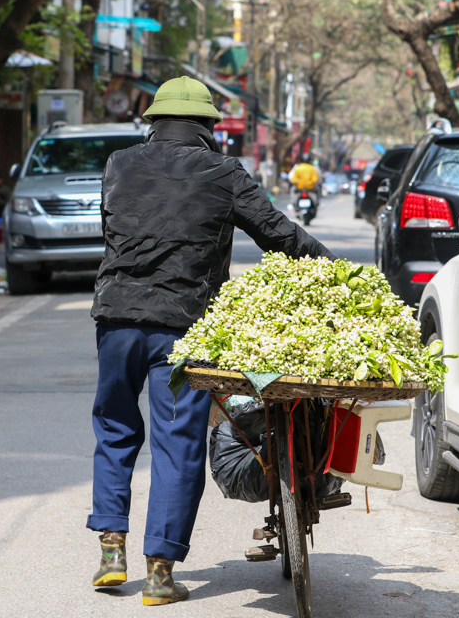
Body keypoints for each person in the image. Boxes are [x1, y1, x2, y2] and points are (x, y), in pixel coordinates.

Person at [88, 77, 333, 606]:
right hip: (183, 328)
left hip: (116, 319)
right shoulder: (222, 173)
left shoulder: (118, 164)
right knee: (176, 446)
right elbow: (278, 234)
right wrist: (335, 271)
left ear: (153, 122)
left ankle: (111, 551)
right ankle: (159, 573)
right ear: (206, 127)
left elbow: (112, 231)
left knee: (114, 428)